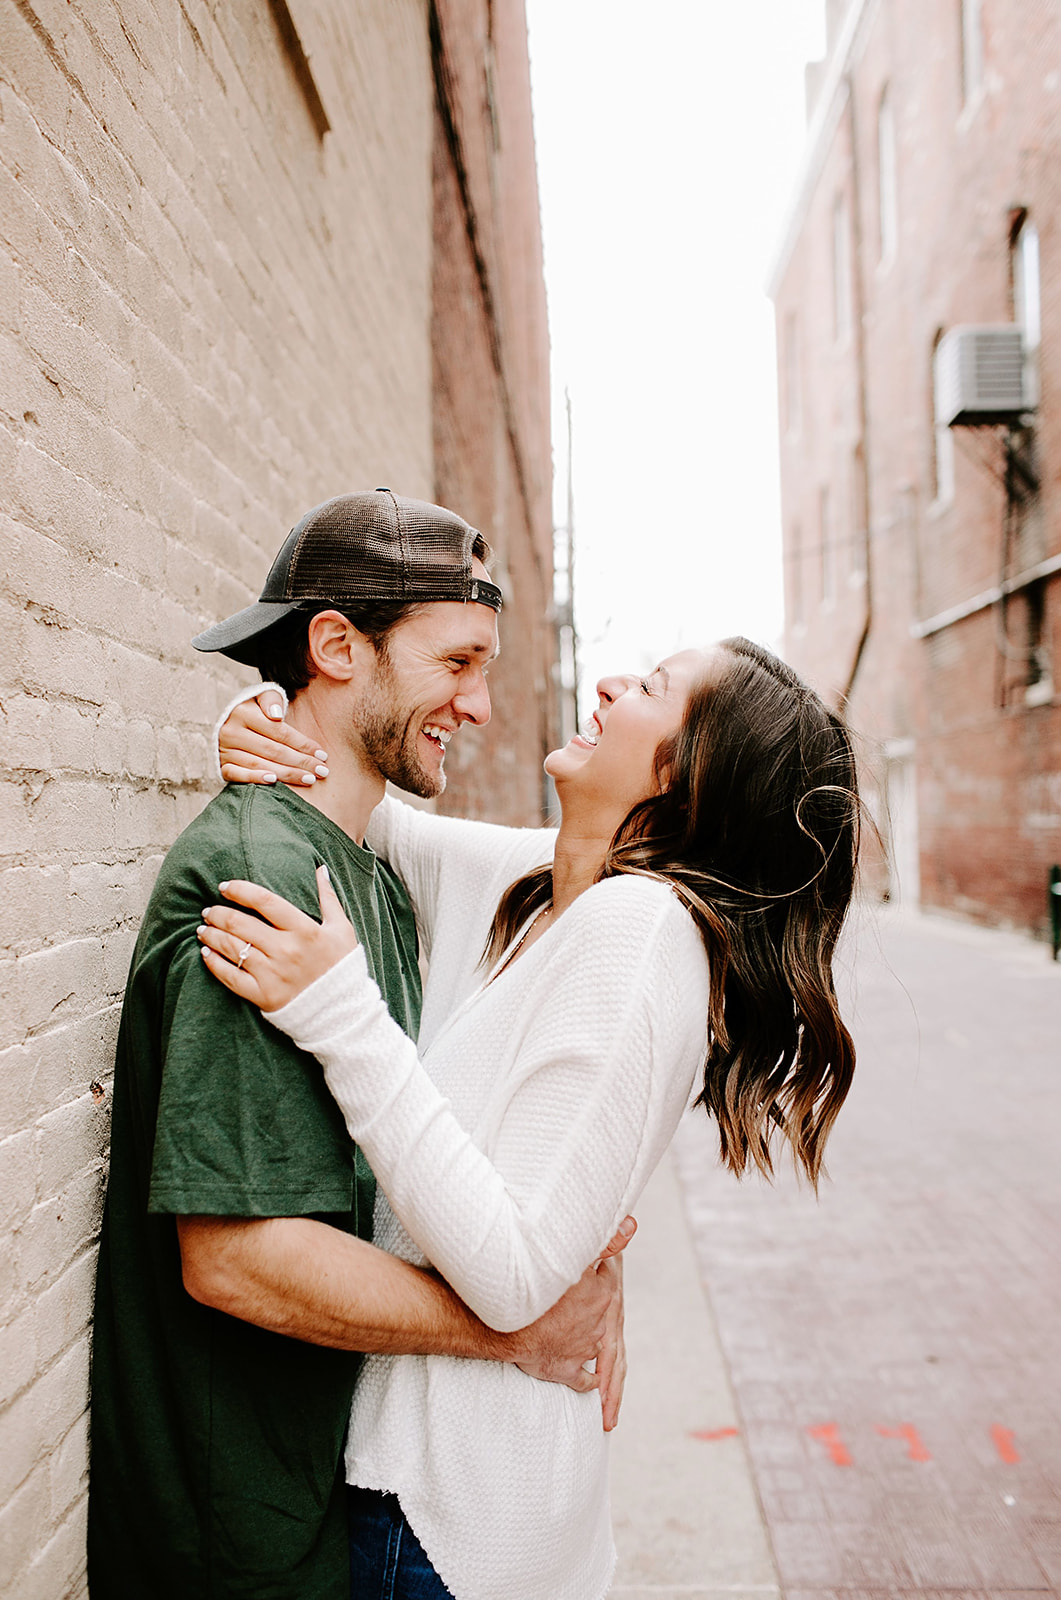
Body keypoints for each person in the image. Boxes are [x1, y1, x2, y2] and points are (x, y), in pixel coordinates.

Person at [200, 632, 861, 1600]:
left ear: (685, 775)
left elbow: (512, 1277)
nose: (605, 684)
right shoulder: (537, 883)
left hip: (443, 1516)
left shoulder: (636, 936)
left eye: (648, 686)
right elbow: (355, 802)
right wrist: (253, 724)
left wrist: (341, 1012)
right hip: (449, 1497)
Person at [87, 491, 626, 1600]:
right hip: (236, 1541)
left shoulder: (370, 865)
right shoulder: (263, 882)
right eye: (456, 662)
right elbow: (233, 1254)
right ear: (335, 645)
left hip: (321, 1503)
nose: (477, 704)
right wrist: (509, 1328)